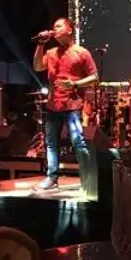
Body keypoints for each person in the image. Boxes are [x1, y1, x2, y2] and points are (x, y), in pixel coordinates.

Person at [32, 17, 98, 191]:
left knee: (78, 142)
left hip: (72, 106)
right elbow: (38, 67)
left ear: (70, 30)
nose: (55, 29)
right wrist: (40, 44)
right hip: (53, 105)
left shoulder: (81, 52)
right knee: (51, 143)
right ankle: (52, 178)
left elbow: (94, 77)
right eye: (54, 26)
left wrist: (74, 84)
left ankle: (87, 179)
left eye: (59, 26)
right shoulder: (51, 52)